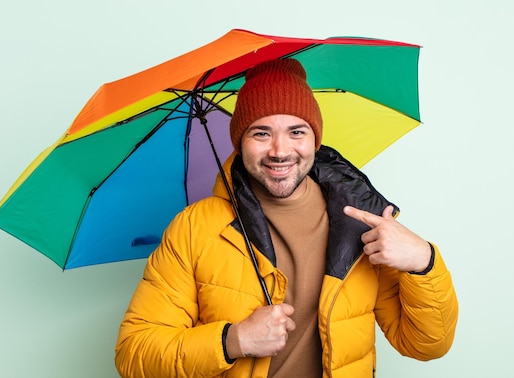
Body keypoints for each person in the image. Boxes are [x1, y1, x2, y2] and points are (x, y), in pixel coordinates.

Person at [115, 58, 458, 378]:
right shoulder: (194, 228)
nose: (280, 150)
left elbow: (425, 345)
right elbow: (133, 353)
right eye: (261, 133)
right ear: (239, 140)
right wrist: (232, 341)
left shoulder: (363, 223)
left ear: (315, 139)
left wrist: (424, 262)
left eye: (297, 131)